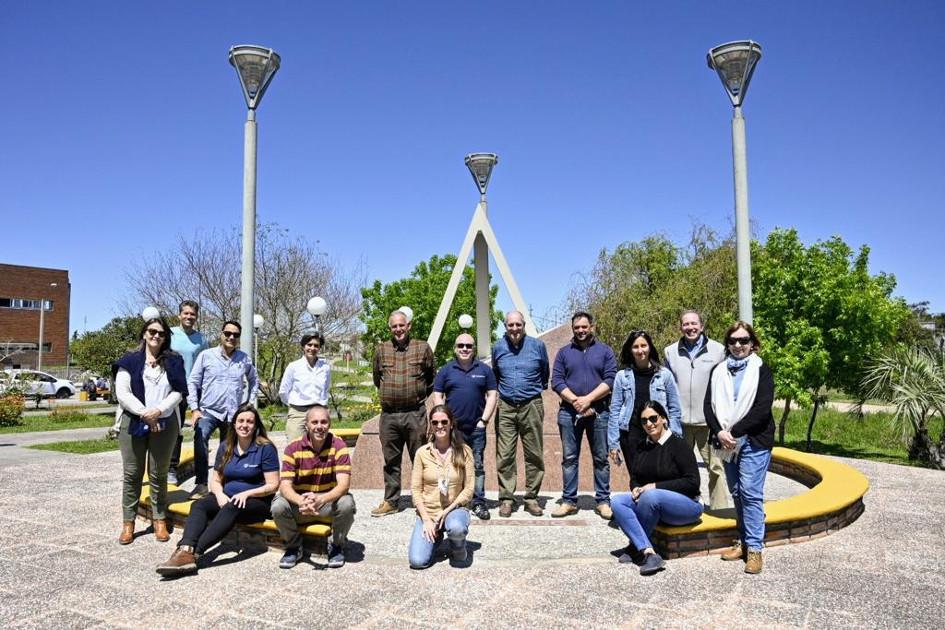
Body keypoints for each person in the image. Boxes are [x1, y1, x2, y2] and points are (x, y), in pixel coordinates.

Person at [155, 403, 279, 576]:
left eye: (250, 422)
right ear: (234, 424)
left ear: (256, 425)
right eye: (241, 421)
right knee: (199, 505)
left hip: (257, 502)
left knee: (232, 506)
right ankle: (185, 547)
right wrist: (219, 494)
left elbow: (273, 485)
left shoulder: (265, 448)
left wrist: (247, 493)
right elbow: (215, 480)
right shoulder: (226, 446)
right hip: (227, 497)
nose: (245, 425)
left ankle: (194, 553)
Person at [705, 321, 775, 575]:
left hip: (753, 441)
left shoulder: (761, 370)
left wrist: (732, 433)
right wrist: (720, 432)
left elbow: (762, 409)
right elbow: (708, 406)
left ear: (752, 344)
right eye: (733, 341)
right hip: (727, 442)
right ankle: (743, 542)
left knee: (750, 493)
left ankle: (755, 549)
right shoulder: (719, 370)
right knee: (736, 492)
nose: (738, 345)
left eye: (743, 340)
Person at [113, 317, 188, 545]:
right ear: (144, 333)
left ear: (166, 337)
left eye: (161, 333)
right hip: (133, 422)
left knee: (158, 473)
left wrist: (158, 410)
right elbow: (122, 392)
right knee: (132, 474)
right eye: (152, 331)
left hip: (164, 422)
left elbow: (178, 392)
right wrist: (144, 412)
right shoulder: (129, 360)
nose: (156, 336)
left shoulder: (174, 361)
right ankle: (128, 522)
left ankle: (159, 519)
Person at [611, 401, 703, 576]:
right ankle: (648, 552)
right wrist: (636, 488)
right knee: (617, 501)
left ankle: (635, 547)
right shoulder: (642, 445)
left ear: (664, 419)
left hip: (688, 505)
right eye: (644, 421)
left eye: (653, 418)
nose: (649, 424)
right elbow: (636, 477)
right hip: (654, 502)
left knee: (651, 496)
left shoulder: (679, 444)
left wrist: (655, 486)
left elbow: (693, 483)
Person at [550, 311, 618, 519]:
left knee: (601, 458)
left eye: (584, 327)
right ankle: (569, 501)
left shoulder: (605, 351)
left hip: (599, 412)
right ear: (573, 329)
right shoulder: (563, 353)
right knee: (569, 458)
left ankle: (603, 501)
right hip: (569, 413)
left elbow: (610, 379)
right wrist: (576, 401)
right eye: (577, 327)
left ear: (592, 327)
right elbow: (557, 381)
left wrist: (588, 399)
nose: (580, 330)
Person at [271, 405, 356, 569]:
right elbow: (285, 486)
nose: (319, 426)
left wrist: (321, 499)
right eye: (314, 422)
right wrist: (301, 501)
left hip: (327, 504)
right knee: (278, 505)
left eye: (323, 422)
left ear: (329, 424)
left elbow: (344, 485)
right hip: (301, 505)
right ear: (307, 425)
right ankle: (294, 546)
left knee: (347, 503)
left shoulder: (338, 446)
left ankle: (336, 545)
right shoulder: (293, 448)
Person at [371, 310, 435, 517]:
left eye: (402, 325)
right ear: (390, 328)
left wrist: (415, 396)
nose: (398, 329)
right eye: (394, 326)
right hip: (389, 415)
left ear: (409, 326)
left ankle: (423, 500)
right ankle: (391, 501)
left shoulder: (422, 347)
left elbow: (430, 378)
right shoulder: (381, 350)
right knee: (391, 460)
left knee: (421, 458)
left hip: (415, 414)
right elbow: (376, 378)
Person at [663, 310, 729, 510]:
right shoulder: (670, 352)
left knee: (716, 469)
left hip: (708, 423)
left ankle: (721, 512)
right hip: (679, 422)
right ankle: (680, 508)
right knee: (677, 470)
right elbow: (666, 386)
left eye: (694, 324)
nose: (690, 327)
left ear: (702, 326)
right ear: (680, 327)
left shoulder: (718, 350)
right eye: (686, 324)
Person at [188, 320, 259, 497]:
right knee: (200, 436)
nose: (231, 337)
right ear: (221, 334)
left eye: (235, 335)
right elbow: (193, 382)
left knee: (228, 448)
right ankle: (202, 484)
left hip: (233, 413)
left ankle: (224, 484)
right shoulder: (206, 355)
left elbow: (254, 380)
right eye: (227, 333)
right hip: (208, 411)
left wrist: (249, 402)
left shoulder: (244, 359)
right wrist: (195, 408)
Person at [432, 332, 497, 521]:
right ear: (455, 348)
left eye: (468, 346)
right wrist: (443, 421)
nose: (465, 349)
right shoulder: (446, 370)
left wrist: (483, 420)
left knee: (477, 465)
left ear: (474, 348)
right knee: (451, 464)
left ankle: (478, 501)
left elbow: (492, 395)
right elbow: (438, 395)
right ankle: (453, 502)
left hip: (477, 427)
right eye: (461, 345)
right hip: (453, 429)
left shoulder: (484, 370)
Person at [491, 311, 550, 518]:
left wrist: (530, 391)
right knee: (505, 454)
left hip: (531, 404)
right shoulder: (498, 347)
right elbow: (496, 375)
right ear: (505, 326)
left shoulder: (538, 346)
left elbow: (545, 374)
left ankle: (531, 498)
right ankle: (507, 498)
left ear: (524, 325)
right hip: (506, 406)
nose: (514, 329)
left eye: (518, 325)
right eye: (510, 325)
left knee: (534, 453)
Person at [408, 405, 474, 569]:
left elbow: (469, 488)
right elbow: (416, 490)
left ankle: (458, 546)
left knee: (456, 527)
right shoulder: (422, 453)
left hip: (454, 510)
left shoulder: (464, 451)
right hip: (429, 513)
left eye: (444, 421)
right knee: (417, 561)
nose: (439, 426)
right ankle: (435, 537)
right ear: (430, 424)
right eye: (435, 422)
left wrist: (447, 510)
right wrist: (426, 519)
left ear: (451, 424)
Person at [607, 330, 681, 473]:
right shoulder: (622, 376)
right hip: (631, 435)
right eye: (635, 347)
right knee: (637, 477)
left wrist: (676, 436)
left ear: (650, 347)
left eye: (644, 345)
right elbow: (615, 410)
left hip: (659, 433)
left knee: (659, 475)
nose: (640, 350)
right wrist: (613, 443)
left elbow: (674, 408)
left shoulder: (664, 375)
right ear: (630, 350)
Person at [168, 300, 209, 485]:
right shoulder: (170, 334)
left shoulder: (202, 340)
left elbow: (207, 366)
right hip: (171, 387)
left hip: (193, 390)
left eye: (192, 314)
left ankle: (199, 475)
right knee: (173, 428)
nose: (189, 317)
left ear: (196, 317)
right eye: (186, 313)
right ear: (179, 315)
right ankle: (169, 467)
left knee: (198, 429)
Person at [279, 332, 331, 442]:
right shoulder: (293, 366)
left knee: (320, 448)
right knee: (295, 447)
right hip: (298, 413)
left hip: (319, 412)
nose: (312, 348)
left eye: (316, 345)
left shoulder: (325, 367)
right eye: (309, 345)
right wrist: (294, 404)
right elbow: (283, 391)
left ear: (320, 348)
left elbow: (325, 389)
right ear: (303, 346)